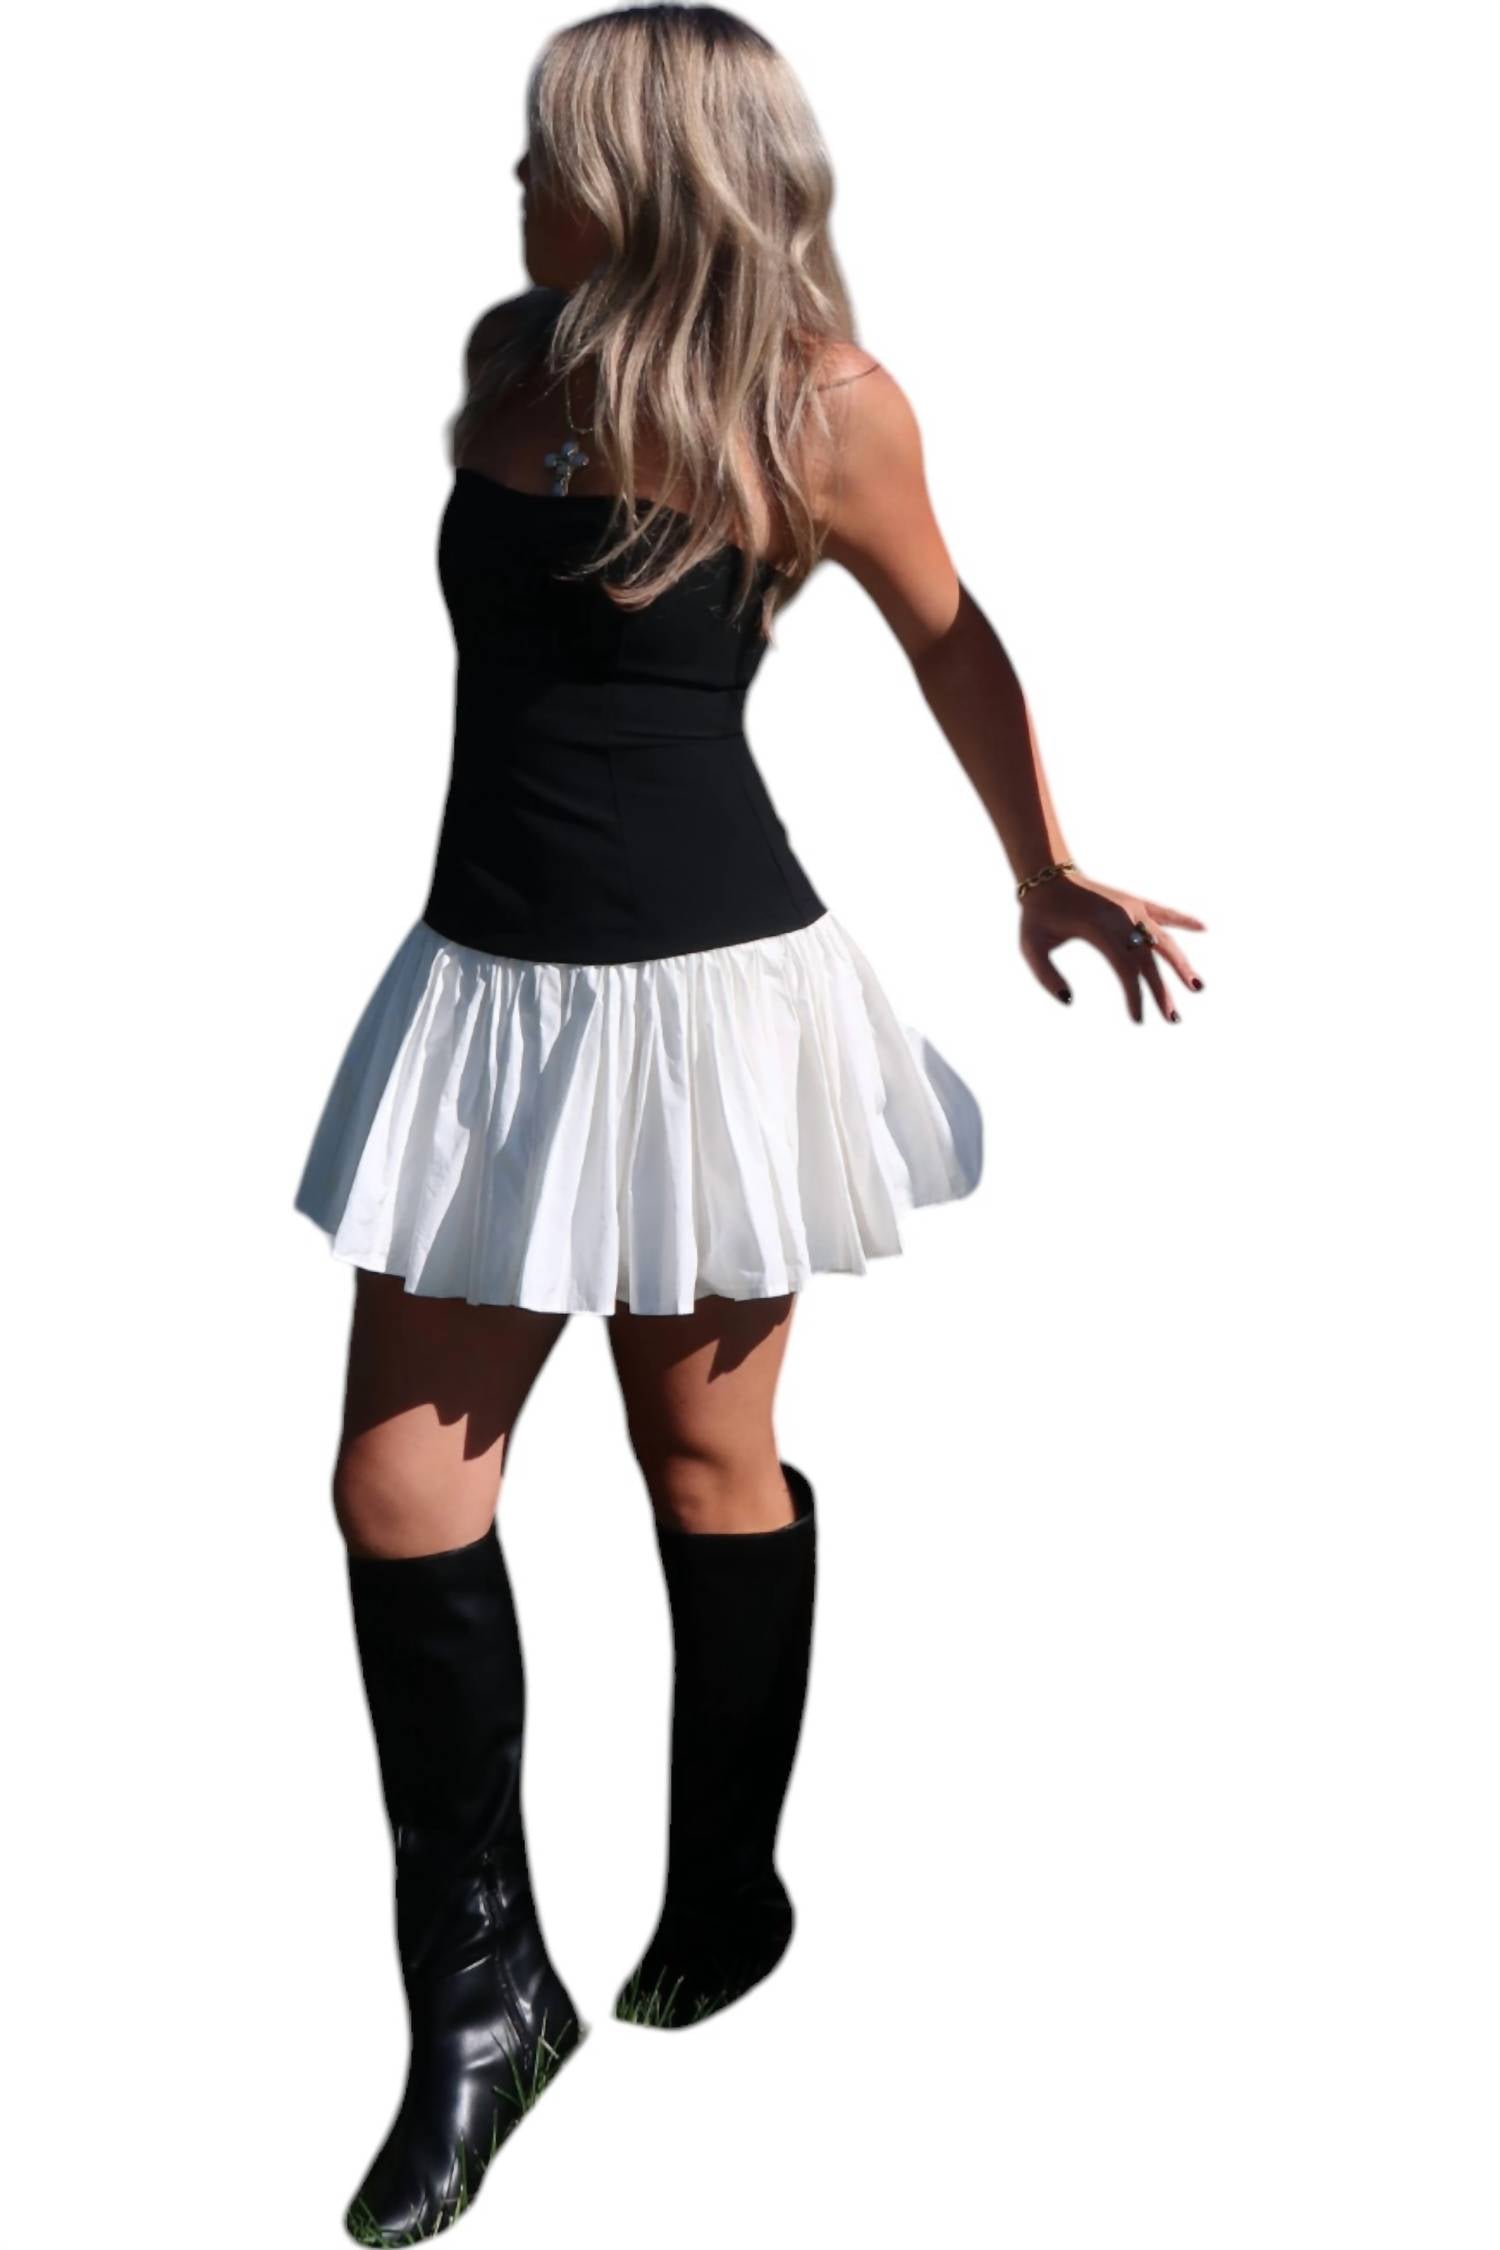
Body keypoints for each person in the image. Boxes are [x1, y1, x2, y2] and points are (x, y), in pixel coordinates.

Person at [293, 5, 1208, 2240]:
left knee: (703, 1459)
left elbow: (952, 636)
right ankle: (484, 1997)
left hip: (712, 1008)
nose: (517, 186)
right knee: (398, 1488)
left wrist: (1045, 865)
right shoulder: (509, 360)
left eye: (547, 153)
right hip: (492, 997)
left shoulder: (825, 406)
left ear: (650, 174)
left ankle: (726, 1884)